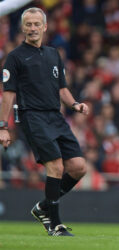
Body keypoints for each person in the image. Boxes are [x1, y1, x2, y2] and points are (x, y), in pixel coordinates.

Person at [0, 8, 89, 236]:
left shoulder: (53, 54)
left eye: (36, 24)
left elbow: (62, 88)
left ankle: (43, 207)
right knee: (57, 166)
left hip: (55, 116)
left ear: (45, 27)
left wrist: (75, 104)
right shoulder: (15, 57)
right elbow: (8, 94)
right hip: (33, 116)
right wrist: (3, 127)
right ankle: (55, 225)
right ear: (23, 28)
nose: (32, 28)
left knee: (79, 167)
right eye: (28, 24)